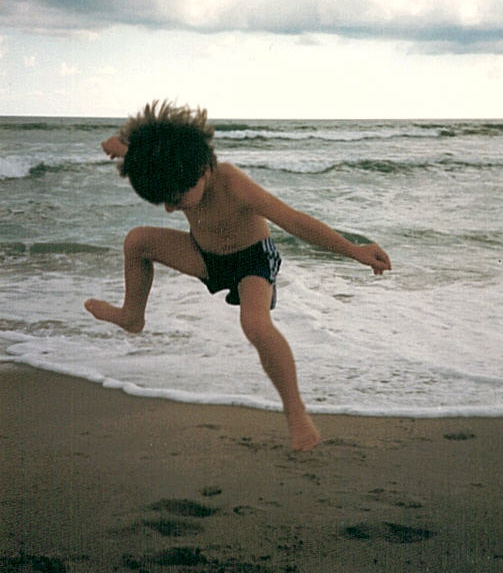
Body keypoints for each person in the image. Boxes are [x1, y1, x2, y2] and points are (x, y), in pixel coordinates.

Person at [85, 101, 391, 451]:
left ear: (202, 170)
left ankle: (296, 413)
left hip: (252, 262)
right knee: (137, 241)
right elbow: (152, 149)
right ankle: (131, 316)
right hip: (206, 256)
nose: (171, 208)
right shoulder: (172, 166)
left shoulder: (231, 182)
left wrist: (353, 250)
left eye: (176, 199)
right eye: (164, 203)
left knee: (256, 325)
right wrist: (123, 146)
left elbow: (292, 220)